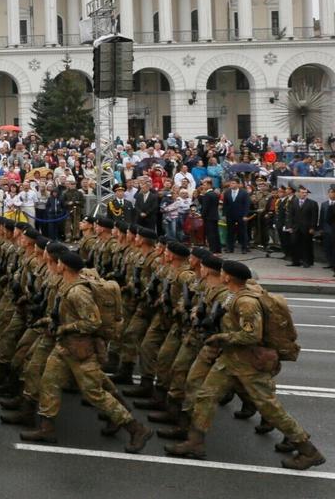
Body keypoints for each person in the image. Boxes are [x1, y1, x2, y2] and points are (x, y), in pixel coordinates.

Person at [168, 259, 324, 469]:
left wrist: (222, 338)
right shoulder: (233, 296)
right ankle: (195, 442)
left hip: (248, 363)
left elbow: (251, 335)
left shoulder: (246, 302)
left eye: (222, 272)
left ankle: (308, 450)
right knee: (205, 396)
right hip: (229, 361)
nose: (220, 274)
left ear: (229, 277)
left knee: (270, 408)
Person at [18, 251, 151, 451]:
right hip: (64, 346)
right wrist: (49, 323)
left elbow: (92, 322)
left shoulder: (78, 292)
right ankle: (47, 428)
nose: (57, 264)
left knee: (94, 392)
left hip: (80, 349)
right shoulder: (66, 285)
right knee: (48, 382)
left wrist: (65, 328)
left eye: (60, 262)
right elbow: (62, 315)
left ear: (65, 266)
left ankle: (135, 428)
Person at [285, 185, 319, 268]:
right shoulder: (294, 202)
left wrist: (312, 228)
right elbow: (290, 215)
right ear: (298, 193)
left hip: (306, 228)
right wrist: (289, 226)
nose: (304, 194)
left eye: (306, 193)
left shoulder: (312, 203)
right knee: (294, 244)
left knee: (306, 245)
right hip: (295, 228)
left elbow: (314, 217)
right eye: (302, 192)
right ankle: (295, 261)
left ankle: (307, 261)